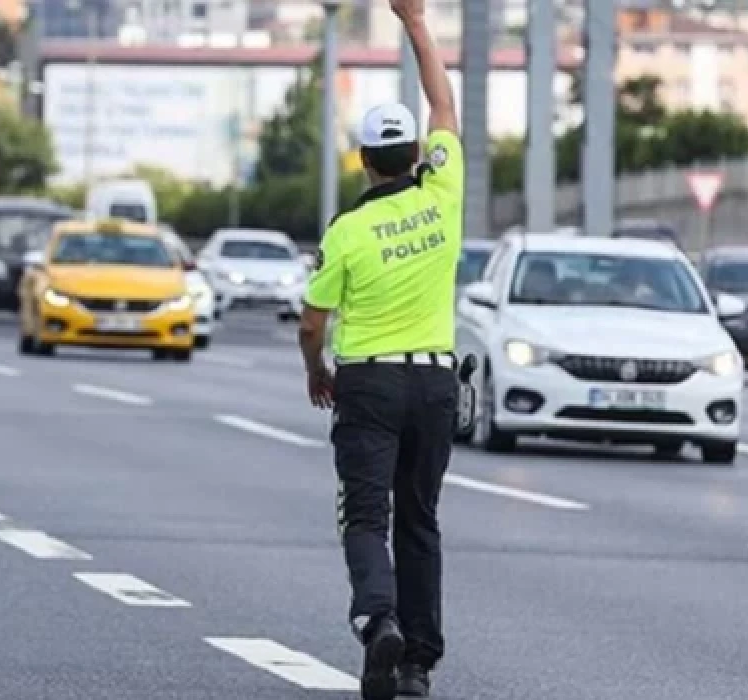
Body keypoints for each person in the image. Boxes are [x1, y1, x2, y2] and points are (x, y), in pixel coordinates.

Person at [296, 1, 461, 698]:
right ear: (416, 154)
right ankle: (418, 662)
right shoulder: (444, 192)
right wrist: (416, 21)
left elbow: (311, 320)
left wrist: (318, 371)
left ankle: (379, 620)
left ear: (364, 162)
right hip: (435, 385)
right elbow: (443, 102)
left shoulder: (349, 230)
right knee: (420, 519)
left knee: (367, 516)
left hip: (368, 387)